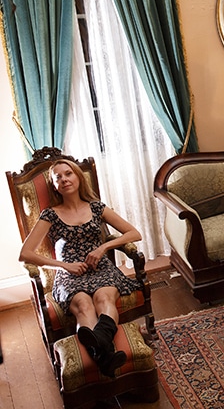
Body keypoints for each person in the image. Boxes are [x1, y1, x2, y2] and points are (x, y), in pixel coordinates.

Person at [19, 159, 143, 378]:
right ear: (54, 186)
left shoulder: (96, 207)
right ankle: (106, 355)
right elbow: (25, 253)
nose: (64, 179)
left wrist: (103, 247)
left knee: (104, 299)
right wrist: (64, 265)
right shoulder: (50, 215)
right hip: (69, 274)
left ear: (78, 177)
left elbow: (134, 233)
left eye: (68, 174)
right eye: (58, 177)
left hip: (101, 269)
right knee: (84, 305)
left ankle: (100, 349)